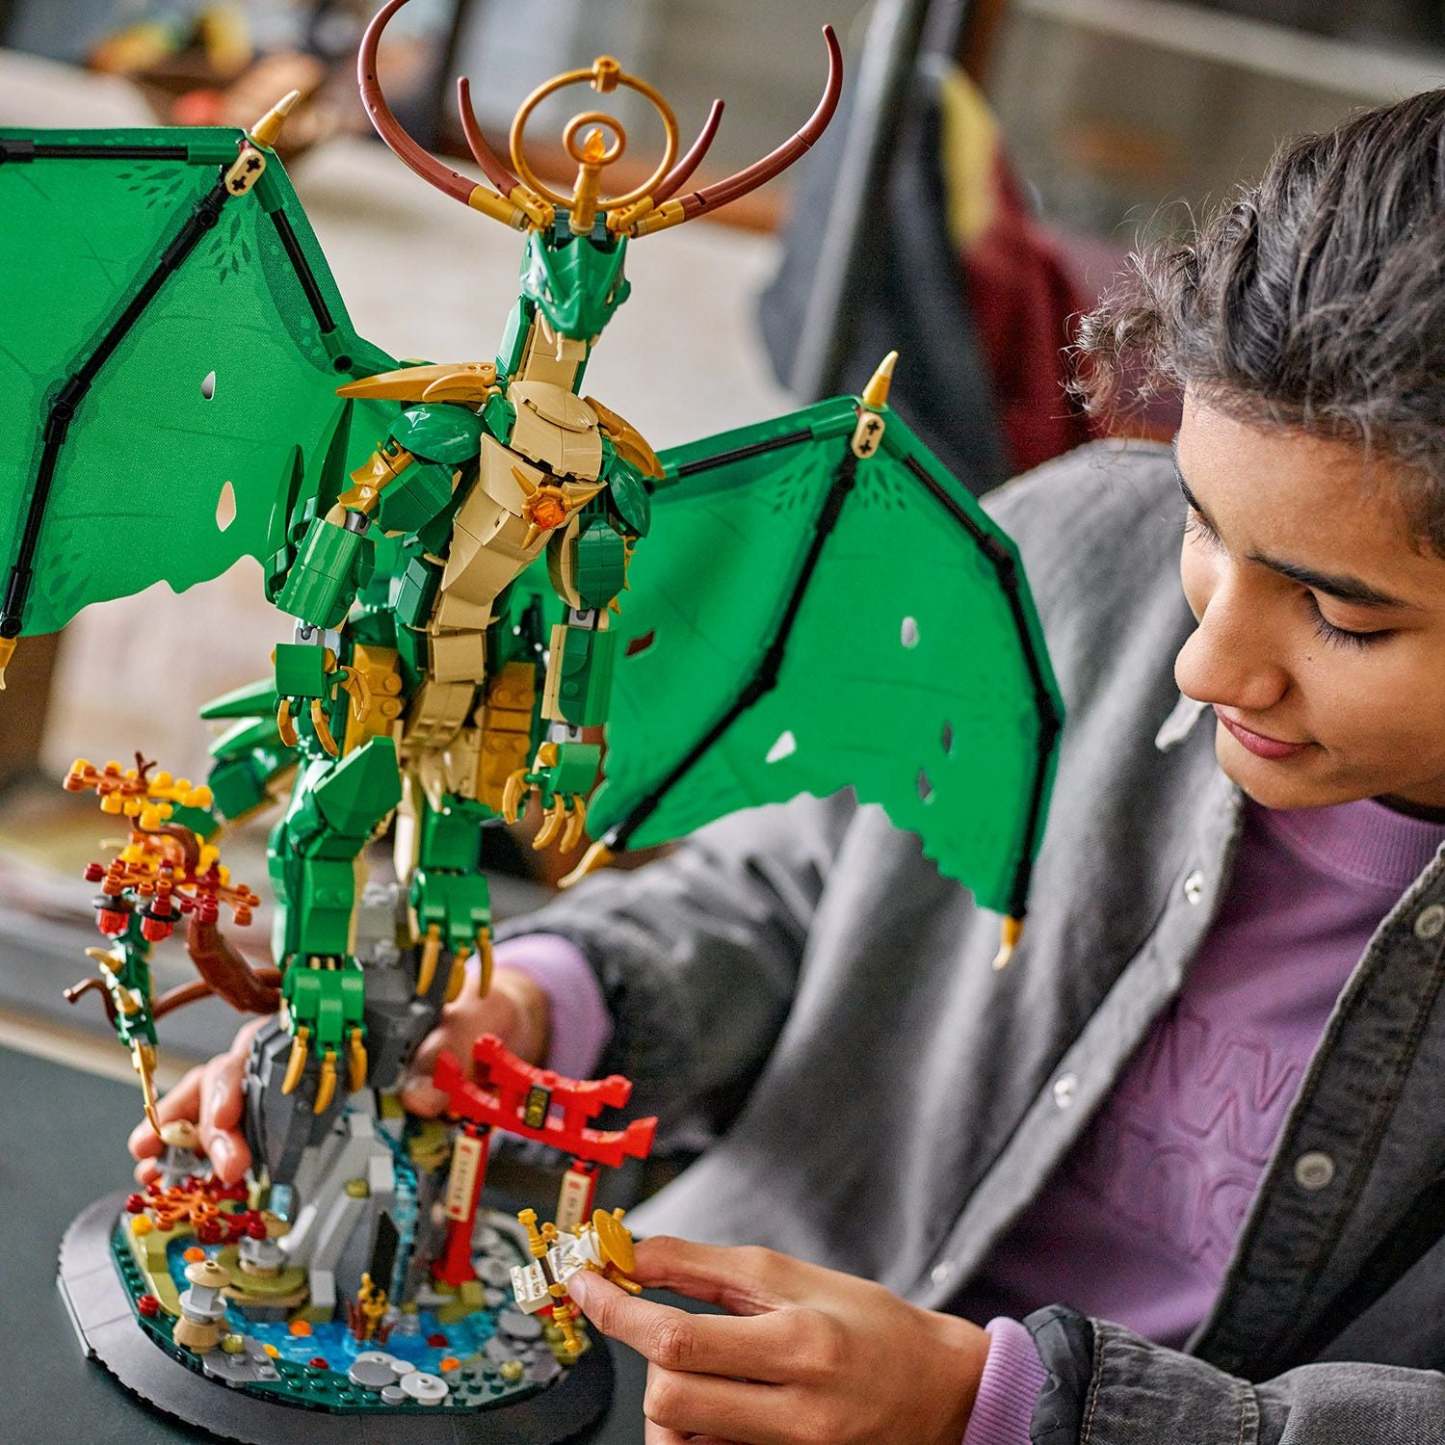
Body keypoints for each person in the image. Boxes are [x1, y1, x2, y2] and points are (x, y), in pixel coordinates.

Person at [133, 90, 1445, 1443]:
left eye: (1340, 615)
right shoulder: (1061, 561)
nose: (1204, 663)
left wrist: (994, 1412)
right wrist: (538, 1007)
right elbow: (793, 886)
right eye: (1202, 524)